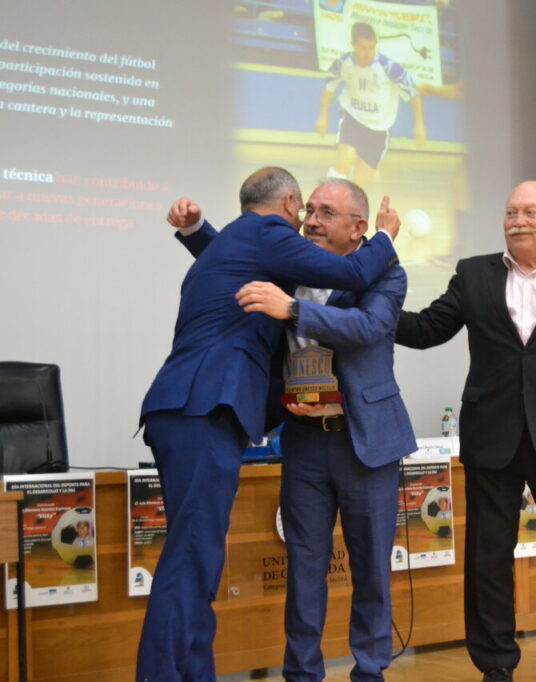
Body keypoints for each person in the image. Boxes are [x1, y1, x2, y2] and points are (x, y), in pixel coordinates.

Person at [137, 167, 399, 682]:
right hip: (204, 409)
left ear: (356, 224)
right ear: (288, 207)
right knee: (191, 559)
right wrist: (387, 236)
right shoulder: (272, 237)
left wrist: (195, 231)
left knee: (199, 557)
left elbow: (363, 316)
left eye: (325, 213)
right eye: (308, 210)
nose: (310, 221)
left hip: (206, 412)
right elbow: (342, 272)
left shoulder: (253, 242)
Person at [396, 181, 536, 682]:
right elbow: (427, 329)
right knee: (487, 560)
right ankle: (496, 664)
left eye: (530, 211)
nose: (517, 219)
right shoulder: (474, 274)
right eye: (510, 211)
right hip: (491, 437)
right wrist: (374, 306)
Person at [314, 21, 426, 186]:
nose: (368, 52)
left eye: (372, 47)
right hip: (352, 118)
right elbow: (329, 85)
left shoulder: (389, 68)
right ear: (353, 45)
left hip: (378, 129)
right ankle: (326, 201)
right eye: (363, 47)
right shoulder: (343, 63)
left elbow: (414, 94)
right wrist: (322, 117)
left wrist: (419, 125)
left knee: (359, 186)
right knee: (344, 164)